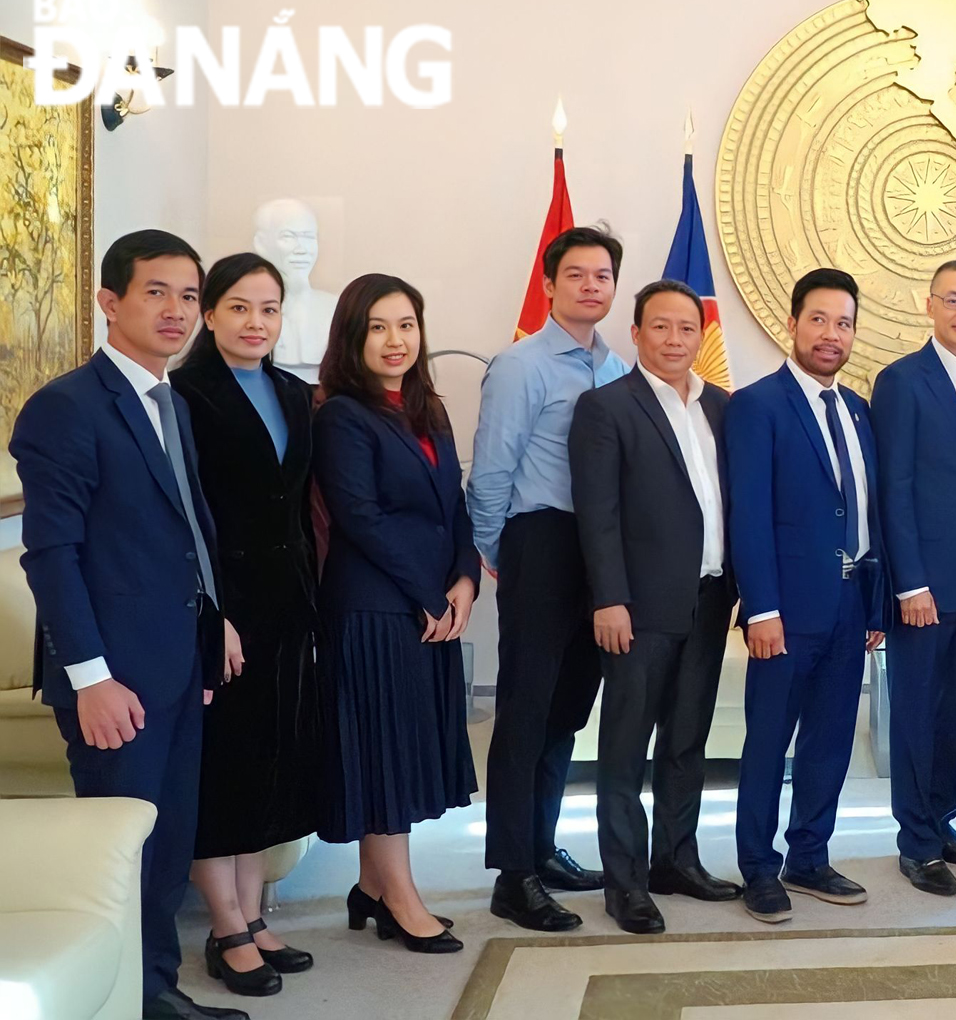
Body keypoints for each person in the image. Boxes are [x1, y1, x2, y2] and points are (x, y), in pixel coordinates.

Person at [13, 230, 248, 1020]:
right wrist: (90, 677)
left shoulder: (166, 398)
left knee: (167, 845)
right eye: (157, 292)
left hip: (180, 665)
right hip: (113, 678)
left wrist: (216, 629)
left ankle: (156, 992)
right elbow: (50, 553)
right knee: (120, 853)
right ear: (110, 302)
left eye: (189, 295)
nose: (177, 310)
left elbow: (184, 531)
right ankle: (123, 999)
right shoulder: (66, 408)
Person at [468, 225, 629, 931]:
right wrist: (495, 553)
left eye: (603, 276)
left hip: (600, 552)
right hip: (539, 542)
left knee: (567, 711)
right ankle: (513, 872)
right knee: (526, 710)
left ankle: (542, 844)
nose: (591, 286)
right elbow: (493, 465)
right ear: (550, 284)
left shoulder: (620, 368)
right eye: (577, 275)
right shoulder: (521, 365)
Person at [313, 273, 478, 956]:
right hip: (376, 609)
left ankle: (371, 886)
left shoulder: (426, 406)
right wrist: (428, 594)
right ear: (354, 334)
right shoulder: (342, 415)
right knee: (388, 757)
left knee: (405, 747)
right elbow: (361, 518)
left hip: (430, 605)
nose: (395, 339)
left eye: (406, 324)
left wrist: (465, 576)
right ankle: (402, 900)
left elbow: (453, 503)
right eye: (378, 325)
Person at [172, 253, 321, 997]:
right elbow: (184, 516)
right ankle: (225, 925)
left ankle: (256, 912)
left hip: (287, 599)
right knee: (225, 766)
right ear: (209, 315)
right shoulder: (184, 394)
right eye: (238, 307)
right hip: (222, 601)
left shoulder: (296, 393)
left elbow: (296, 508)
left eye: (268, 309)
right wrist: (211, 612)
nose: (255, 322)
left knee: (271, 759)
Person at [570, 279, 739, 935]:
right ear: (636, 333)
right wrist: (609, 597)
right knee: (624, 746)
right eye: (660, 327)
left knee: (687, 739)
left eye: (687, 329)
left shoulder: (723, 406)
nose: (675, 340)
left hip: (709, 596)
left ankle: (676, 859)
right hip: (637, 607)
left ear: (702, 336)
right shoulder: (605, 407)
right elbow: (598, 516)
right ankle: (626, 883)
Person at [727, 268, 888, 923]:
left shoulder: (857, 410)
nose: (831, 334)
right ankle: (758, 867)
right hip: (785, 611)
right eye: (818, 319)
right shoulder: (757, 405)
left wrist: (875, 606)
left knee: (830, 740)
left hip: (850, 607)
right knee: (768, 739)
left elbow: (867, 513)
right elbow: (749, 515)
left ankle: (810, 853)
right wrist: (760, 607)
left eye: (844, 322)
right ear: (792, 323)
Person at [872, 259, 956, 896]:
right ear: (929, 306)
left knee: (954, 710)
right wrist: (909, 583)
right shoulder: (901, 382)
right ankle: (916, 843)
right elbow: (892, 489)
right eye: (953, 301)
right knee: (917, 711)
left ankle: (943, 821)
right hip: (923, 585)